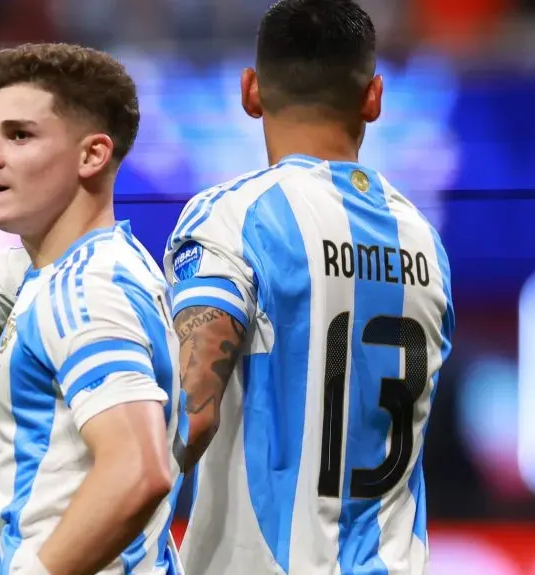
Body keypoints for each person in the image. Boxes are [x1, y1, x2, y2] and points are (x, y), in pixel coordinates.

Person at [164, 1, 455, 574]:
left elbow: (191, 411)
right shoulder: (425, 243)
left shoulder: (232, 217)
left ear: (250, 92)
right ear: (374, 98)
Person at [0, 43, 185, 575]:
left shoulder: (87, 291)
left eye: (20, 135)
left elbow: (138, 469)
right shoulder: (61, 272)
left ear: (92, 155)